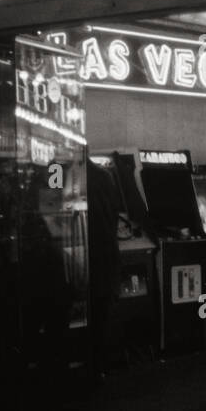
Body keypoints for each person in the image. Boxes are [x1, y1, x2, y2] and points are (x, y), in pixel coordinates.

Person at [87, 158, 121, 380]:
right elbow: (115, 216)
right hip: (108, 252)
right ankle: (99, 367)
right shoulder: (105, 176)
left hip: (89, 255)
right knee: (102, 313)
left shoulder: (64, 171)